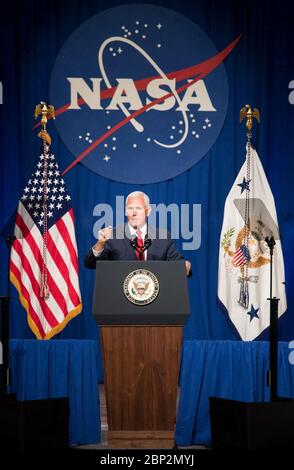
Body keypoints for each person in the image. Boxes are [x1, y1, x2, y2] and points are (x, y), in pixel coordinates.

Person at [84, 191, 191, 275]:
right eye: (130, 208)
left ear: (148, 211)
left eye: (138, 208)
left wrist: (185, 266)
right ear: (126, 211)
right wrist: (100, 244)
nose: (134, 213)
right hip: (120, 299)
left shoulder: (163, 237)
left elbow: (178, 265)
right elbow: (91, 264)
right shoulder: (112, 236)